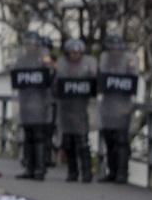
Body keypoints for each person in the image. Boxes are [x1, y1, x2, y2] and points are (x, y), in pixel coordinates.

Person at [53, 38, 98, 183]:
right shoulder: (62, 66)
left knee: (83, 143)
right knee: (68, 143)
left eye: (77, 53)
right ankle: (72, 172)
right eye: (72, 53)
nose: (75, 56)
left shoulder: (87, 65)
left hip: (81, 109)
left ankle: (86, 172)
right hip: (65, 109)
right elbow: (55, 86)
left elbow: (94, 85)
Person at [11, 30, 53, 180]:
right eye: (27, 44)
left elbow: (51, 77)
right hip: (26, 103)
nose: (30, 47)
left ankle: (40, 169)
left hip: (41, 104)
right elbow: (15, 76)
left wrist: (49, 66)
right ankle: (29, 167)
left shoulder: (43, 59)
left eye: (32, 44)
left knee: (39, 136)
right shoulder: (21, 60)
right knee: (28, 137)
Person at [97, 33, 137, 183]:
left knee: (121, 141)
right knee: (109, 141)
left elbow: (132, 81)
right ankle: (112, 171)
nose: (115, 51)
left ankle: (122, 173)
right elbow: (101, 79)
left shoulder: (129, 59)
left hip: (122, 107)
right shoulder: (104, 59)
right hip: (108, 106)